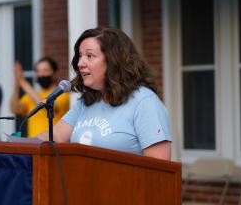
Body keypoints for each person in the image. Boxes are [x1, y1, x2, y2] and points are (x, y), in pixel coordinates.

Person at [38, 27, 172, 160]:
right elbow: (55, 136)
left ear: (113, 60)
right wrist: (21, 142)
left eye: (89, 56)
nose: (80, 63)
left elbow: (159, 167)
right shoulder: (86, 102)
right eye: (80, 56)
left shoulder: (145, 102)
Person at [10, 57, 70, 137]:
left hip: (53, 145)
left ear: (54, 73)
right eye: (38, 71)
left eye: (45, 70)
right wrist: (16, 83)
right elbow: (15, 108)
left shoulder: (63, 95)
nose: (41, 74)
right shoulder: (33, 95)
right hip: (33, 146)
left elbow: (47, 105)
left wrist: (22, 81)